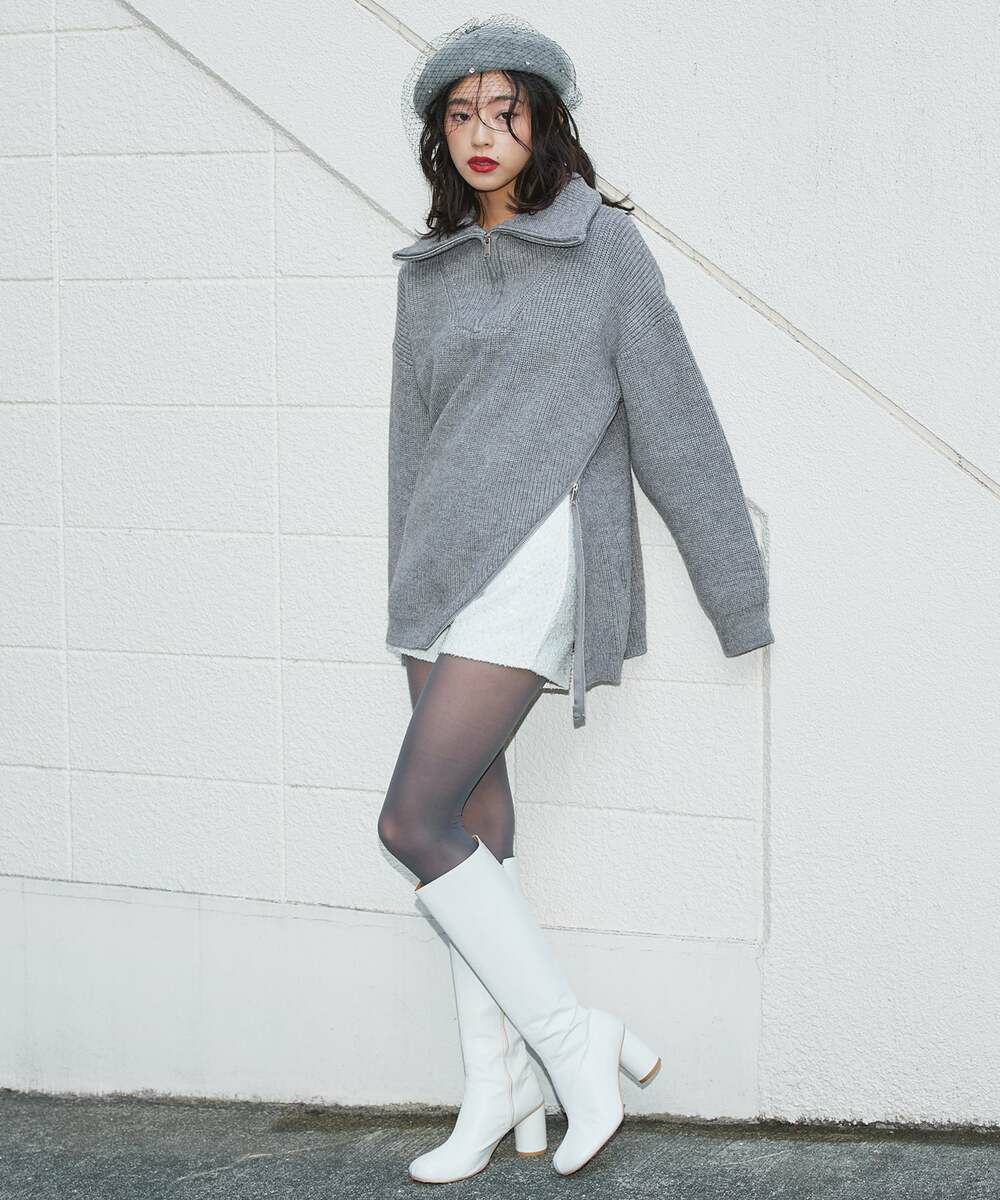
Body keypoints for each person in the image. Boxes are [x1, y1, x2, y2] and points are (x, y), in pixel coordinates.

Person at [377, 16, 775, 1183]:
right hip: (441, 574)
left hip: (538, 556)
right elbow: (410, 448)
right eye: (460, 114)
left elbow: (677, 424)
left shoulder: (604, 250)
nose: (481, 133)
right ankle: (497, 1090)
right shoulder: (428, 272)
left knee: (411, 824)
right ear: (440, 135)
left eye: (504, 111)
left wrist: (735, 598)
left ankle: (569, 1040)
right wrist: (408, 600)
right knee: (472, 832)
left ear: (543, 122)